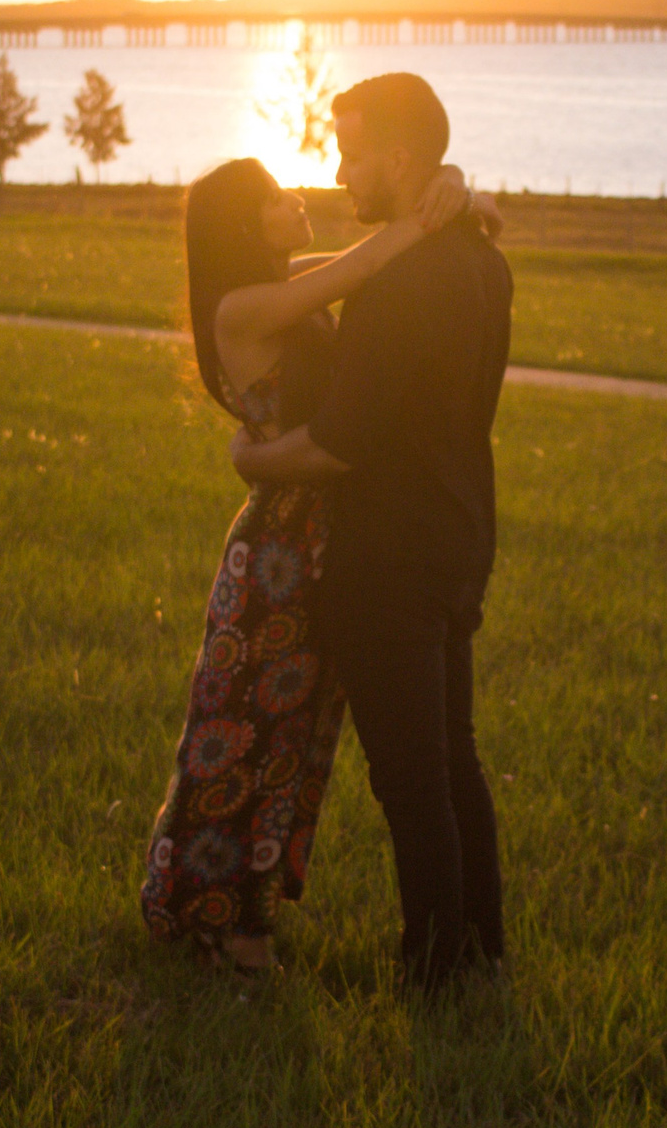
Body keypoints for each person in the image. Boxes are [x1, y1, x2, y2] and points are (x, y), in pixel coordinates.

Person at [141, 152, 490, 974]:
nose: (295, 197)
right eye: (273, 196)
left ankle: (244, 912)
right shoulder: (245, 307)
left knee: (292, 742)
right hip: (276, 558)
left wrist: (456, 183)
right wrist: (435, 200)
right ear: (241, 222)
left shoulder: (287, 282)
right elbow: (370, 260)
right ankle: (210, 916)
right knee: (239, 738)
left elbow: (368, 266)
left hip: (324, 540)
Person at [231, 74, 514, 991]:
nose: (340, 170)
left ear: (399, 158)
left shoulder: (397, 285)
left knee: (410, 781)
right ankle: (482, 945)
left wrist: (253, 462)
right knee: (456, 759)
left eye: (352, 150)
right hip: (463, 530)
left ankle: (432, 968)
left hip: (388, 553)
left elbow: (340, 445)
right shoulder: (483, 258)